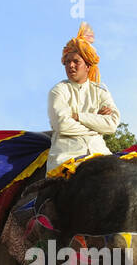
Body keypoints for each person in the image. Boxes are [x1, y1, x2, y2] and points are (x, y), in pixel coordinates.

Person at [47, 23, 120, 171]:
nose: (71, 66)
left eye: (76, 61)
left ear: (87, 66)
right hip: (67, 158)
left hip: (101, 154)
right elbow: (62, 125)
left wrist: (78, 116)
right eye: (67, 62)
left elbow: (112, 124)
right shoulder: (58, 91)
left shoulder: (100, 91)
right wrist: (97, 126)